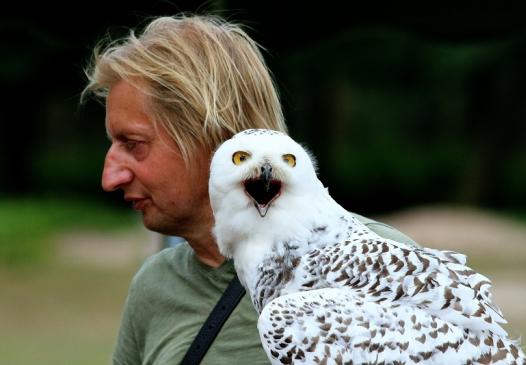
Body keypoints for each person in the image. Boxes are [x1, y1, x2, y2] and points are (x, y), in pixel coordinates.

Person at [82, 13, 417, 365]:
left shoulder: (380, 268)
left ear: (212, 138)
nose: (110, 178)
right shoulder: (156, 287)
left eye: (133, 144)